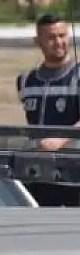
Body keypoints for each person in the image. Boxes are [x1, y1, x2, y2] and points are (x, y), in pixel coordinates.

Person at [17, 12, 80, 206]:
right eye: (51, 37)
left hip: (75, 172)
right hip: (39, 172)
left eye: (62, 35)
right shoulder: (26, 80)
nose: (58, 42)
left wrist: (59, 140)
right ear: (38, 41)